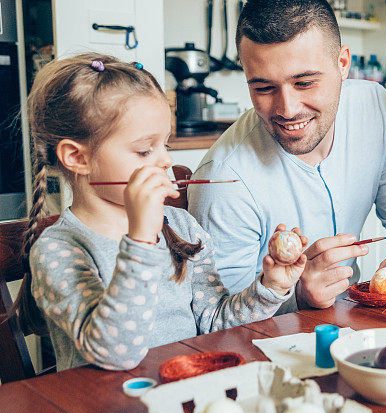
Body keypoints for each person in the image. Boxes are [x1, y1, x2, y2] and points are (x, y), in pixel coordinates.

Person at [9, 54, 306, 371]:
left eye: (165, 144)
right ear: (77, 157)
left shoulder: (181, 225)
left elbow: (214, 323)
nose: (165, 160)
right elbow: (115, 353)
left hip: (181, 394)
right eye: (143, 149)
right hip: (103, 411)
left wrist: (270, 286)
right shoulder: (59, 250)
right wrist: (141, 241)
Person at [188, 0, 386, 312]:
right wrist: (297, 296)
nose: (287, 108)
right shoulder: (223, 180)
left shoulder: (377, 108)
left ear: (343, 63)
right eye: (265, 87)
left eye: (304, 82)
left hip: (356, 324)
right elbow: (217, 318)